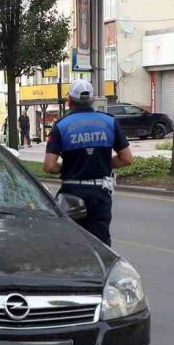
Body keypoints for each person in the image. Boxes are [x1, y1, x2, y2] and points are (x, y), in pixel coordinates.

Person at [44, 80, 133, 246]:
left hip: (71, 192)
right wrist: (101, 163)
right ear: (92, 100)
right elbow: (126, 159)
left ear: (70, 100)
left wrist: (70, 167)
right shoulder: (110, 122)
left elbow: (49, 166)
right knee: (101, 244)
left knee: (71, 243)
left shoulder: (61, 126)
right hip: (100, 192)